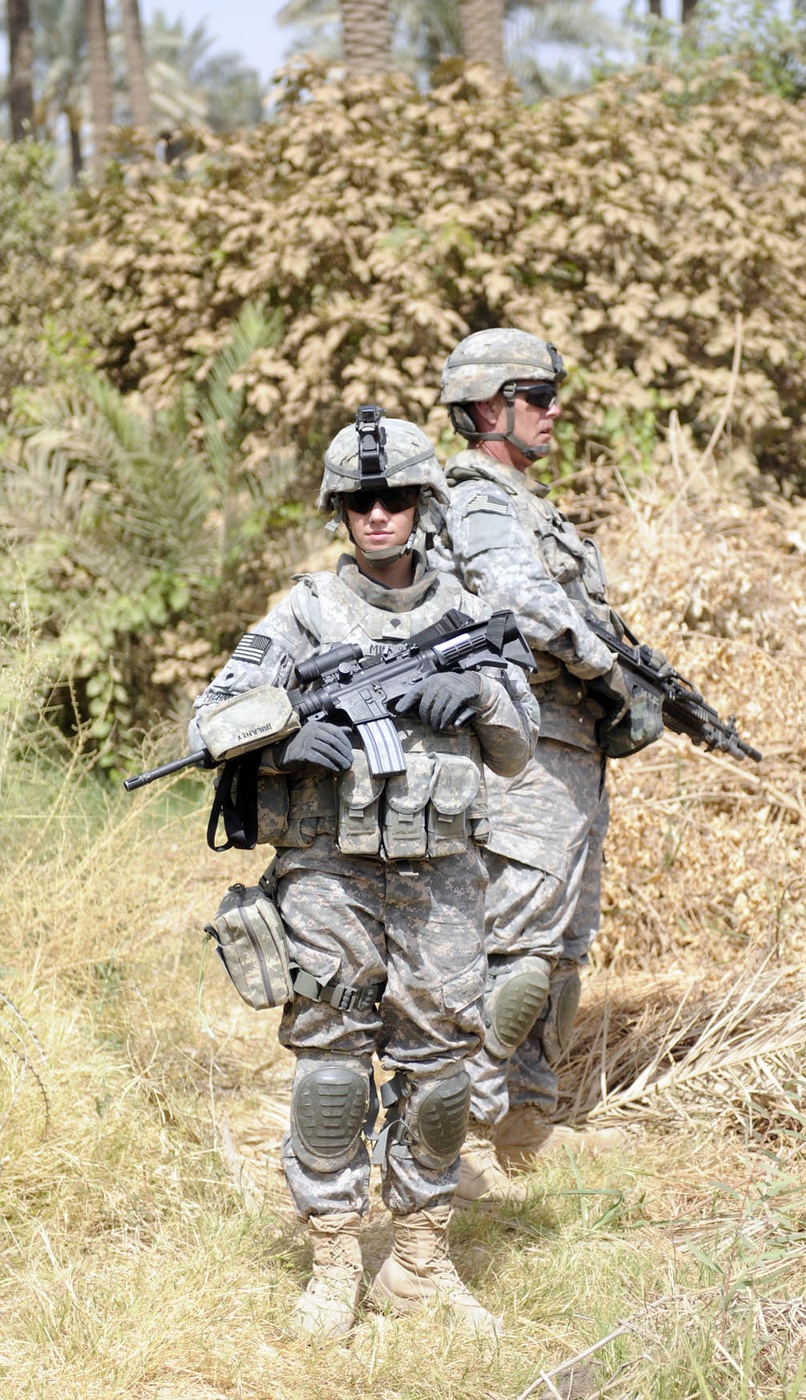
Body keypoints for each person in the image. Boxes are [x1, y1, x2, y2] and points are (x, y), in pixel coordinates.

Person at [189, 408, 538, 1337]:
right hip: (328, 876)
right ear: (338, 512)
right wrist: (286, 734)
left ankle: (421, 1264)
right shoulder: (305, 613)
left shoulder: (469, 617)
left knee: (441, 1073)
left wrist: (482, 692)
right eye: (358, 501)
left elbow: (517, 748)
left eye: (392, 499)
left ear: (422, 505)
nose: (376, 515)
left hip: (444, 883)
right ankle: (335, 1259)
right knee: (331, 1068)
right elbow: (209, 720)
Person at [430, 329, 650, 1206]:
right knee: (514, 949)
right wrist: (608, 666)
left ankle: (527, 1123)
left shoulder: (530, 502)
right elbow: (521, 603)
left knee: (562, 951)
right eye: (538, 394)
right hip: (522, 749)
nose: (555, 408)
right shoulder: (480, 499)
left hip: (572, 754)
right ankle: (457, 1137)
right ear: (491, 407)